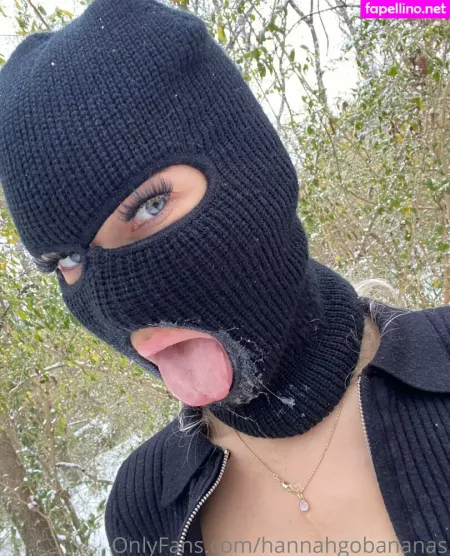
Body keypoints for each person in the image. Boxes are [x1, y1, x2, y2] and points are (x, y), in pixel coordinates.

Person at [0, 0, 449, 555]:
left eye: (150, 205)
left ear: (254, 167)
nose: (118, 304)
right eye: (67, 260)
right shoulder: (144, 507)